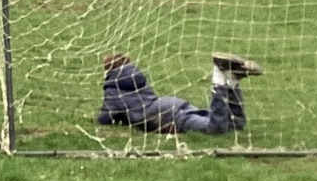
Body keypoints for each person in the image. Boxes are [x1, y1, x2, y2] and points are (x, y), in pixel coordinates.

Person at [96, 52, 261, 136]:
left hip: (167, 117)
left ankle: (219, 74)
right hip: (171, 104)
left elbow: (105, 118)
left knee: (215, 128)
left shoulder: (112, 88)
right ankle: (232, 80)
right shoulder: (136, 77)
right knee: (235, 124)